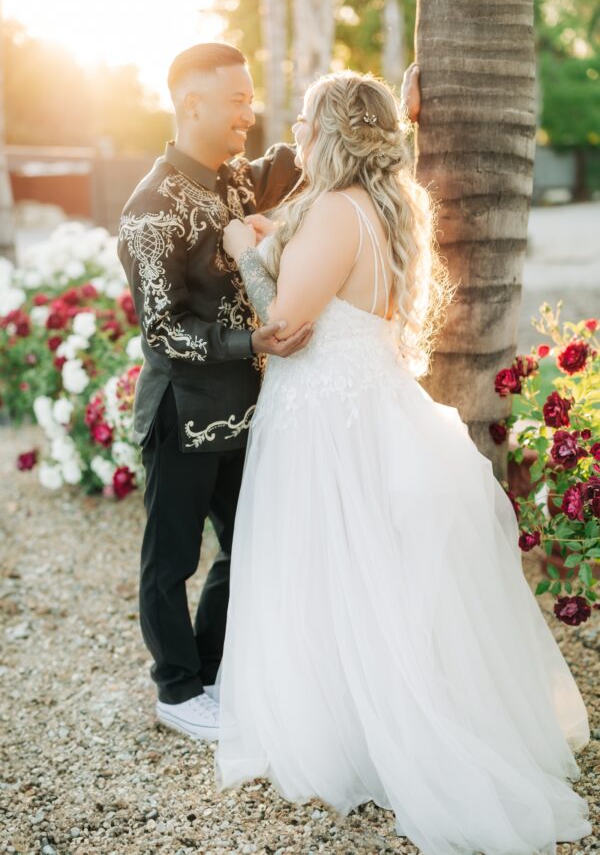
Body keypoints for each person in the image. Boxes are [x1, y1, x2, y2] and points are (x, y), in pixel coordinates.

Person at [213, 70, 592, 853]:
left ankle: (348, 733)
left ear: (335, 136)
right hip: (370, 403)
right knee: (370, 570)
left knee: (329, 567)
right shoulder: (384, 204)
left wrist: (241, 248)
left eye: (308, 122)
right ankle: (365, 712)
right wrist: (396, 106)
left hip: (324, 415)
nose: (298, 133)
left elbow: (285, 324)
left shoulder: (330, 211)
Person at [117, 43, 312, 740]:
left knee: (247, 544)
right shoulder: (149, 212)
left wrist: (389, 113)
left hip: (246, 406)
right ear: (190, 104)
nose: (248, 113)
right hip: (183, 415)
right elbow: (164, 331)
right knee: (172, 559)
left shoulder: (234, 180)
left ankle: (211, 668)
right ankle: (175, 690)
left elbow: (301, 157)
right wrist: (250, 342)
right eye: (236, 100)